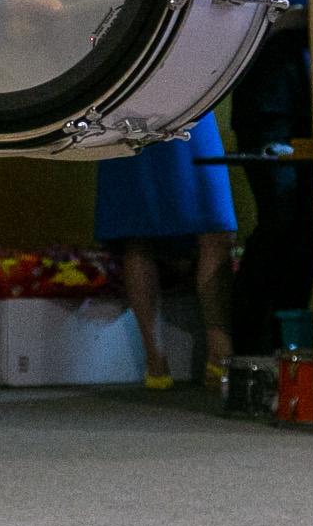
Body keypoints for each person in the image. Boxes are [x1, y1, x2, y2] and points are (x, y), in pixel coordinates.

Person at [229, 0, 313, 355]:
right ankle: (248, 340)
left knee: (308, 231)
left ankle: (288, 341)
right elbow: (252, 25)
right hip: (266, 112)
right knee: (278, 218)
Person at [93, 121, 235, 390]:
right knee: (137, 232)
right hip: (133, 112)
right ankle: (155, 360)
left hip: (194, 107)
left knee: (217, 227)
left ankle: (219, 352)